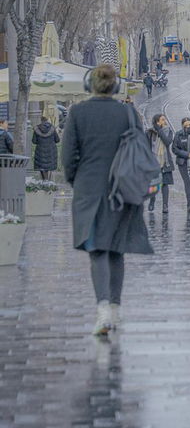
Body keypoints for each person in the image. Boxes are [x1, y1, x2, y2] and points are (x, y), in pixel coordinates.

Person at [61, 64, 154, 336]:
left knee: (97, 250)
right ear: (114, 86)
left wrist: (76, 181)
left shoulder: (77, 112)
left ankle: (102, 307)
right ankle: (115, 308)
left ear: (91, 85)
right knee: (116, 249)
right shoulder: (127, 112)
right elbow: (142, 149)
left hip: (89, 190)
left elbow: (67, 157)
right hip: (123, 189)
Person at [147, 114, 175, 215]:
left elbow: (167, 142)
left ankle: (165, 205)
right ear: (157, 122)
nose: (165, 121)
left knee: (165, 184)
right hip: (153, 162)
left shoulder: (168, 131)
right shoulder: (149, 133)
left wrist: (160, 130)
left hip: (165, 162)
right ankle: (152, 200)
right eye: (162, 120)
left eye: (164, 119)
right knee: (153, 183)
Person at [32, 115, 59, 181]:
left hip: (40, 150)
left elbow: (34, 141)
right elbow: (57, 140)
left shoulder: (36, 129)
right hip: (51, 150)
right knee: (49, 166)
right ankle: (48, 181)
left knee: (41, 166)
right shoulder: (52, 128)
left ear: (41, 121)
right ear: (47, 120)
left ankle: (45, 180)